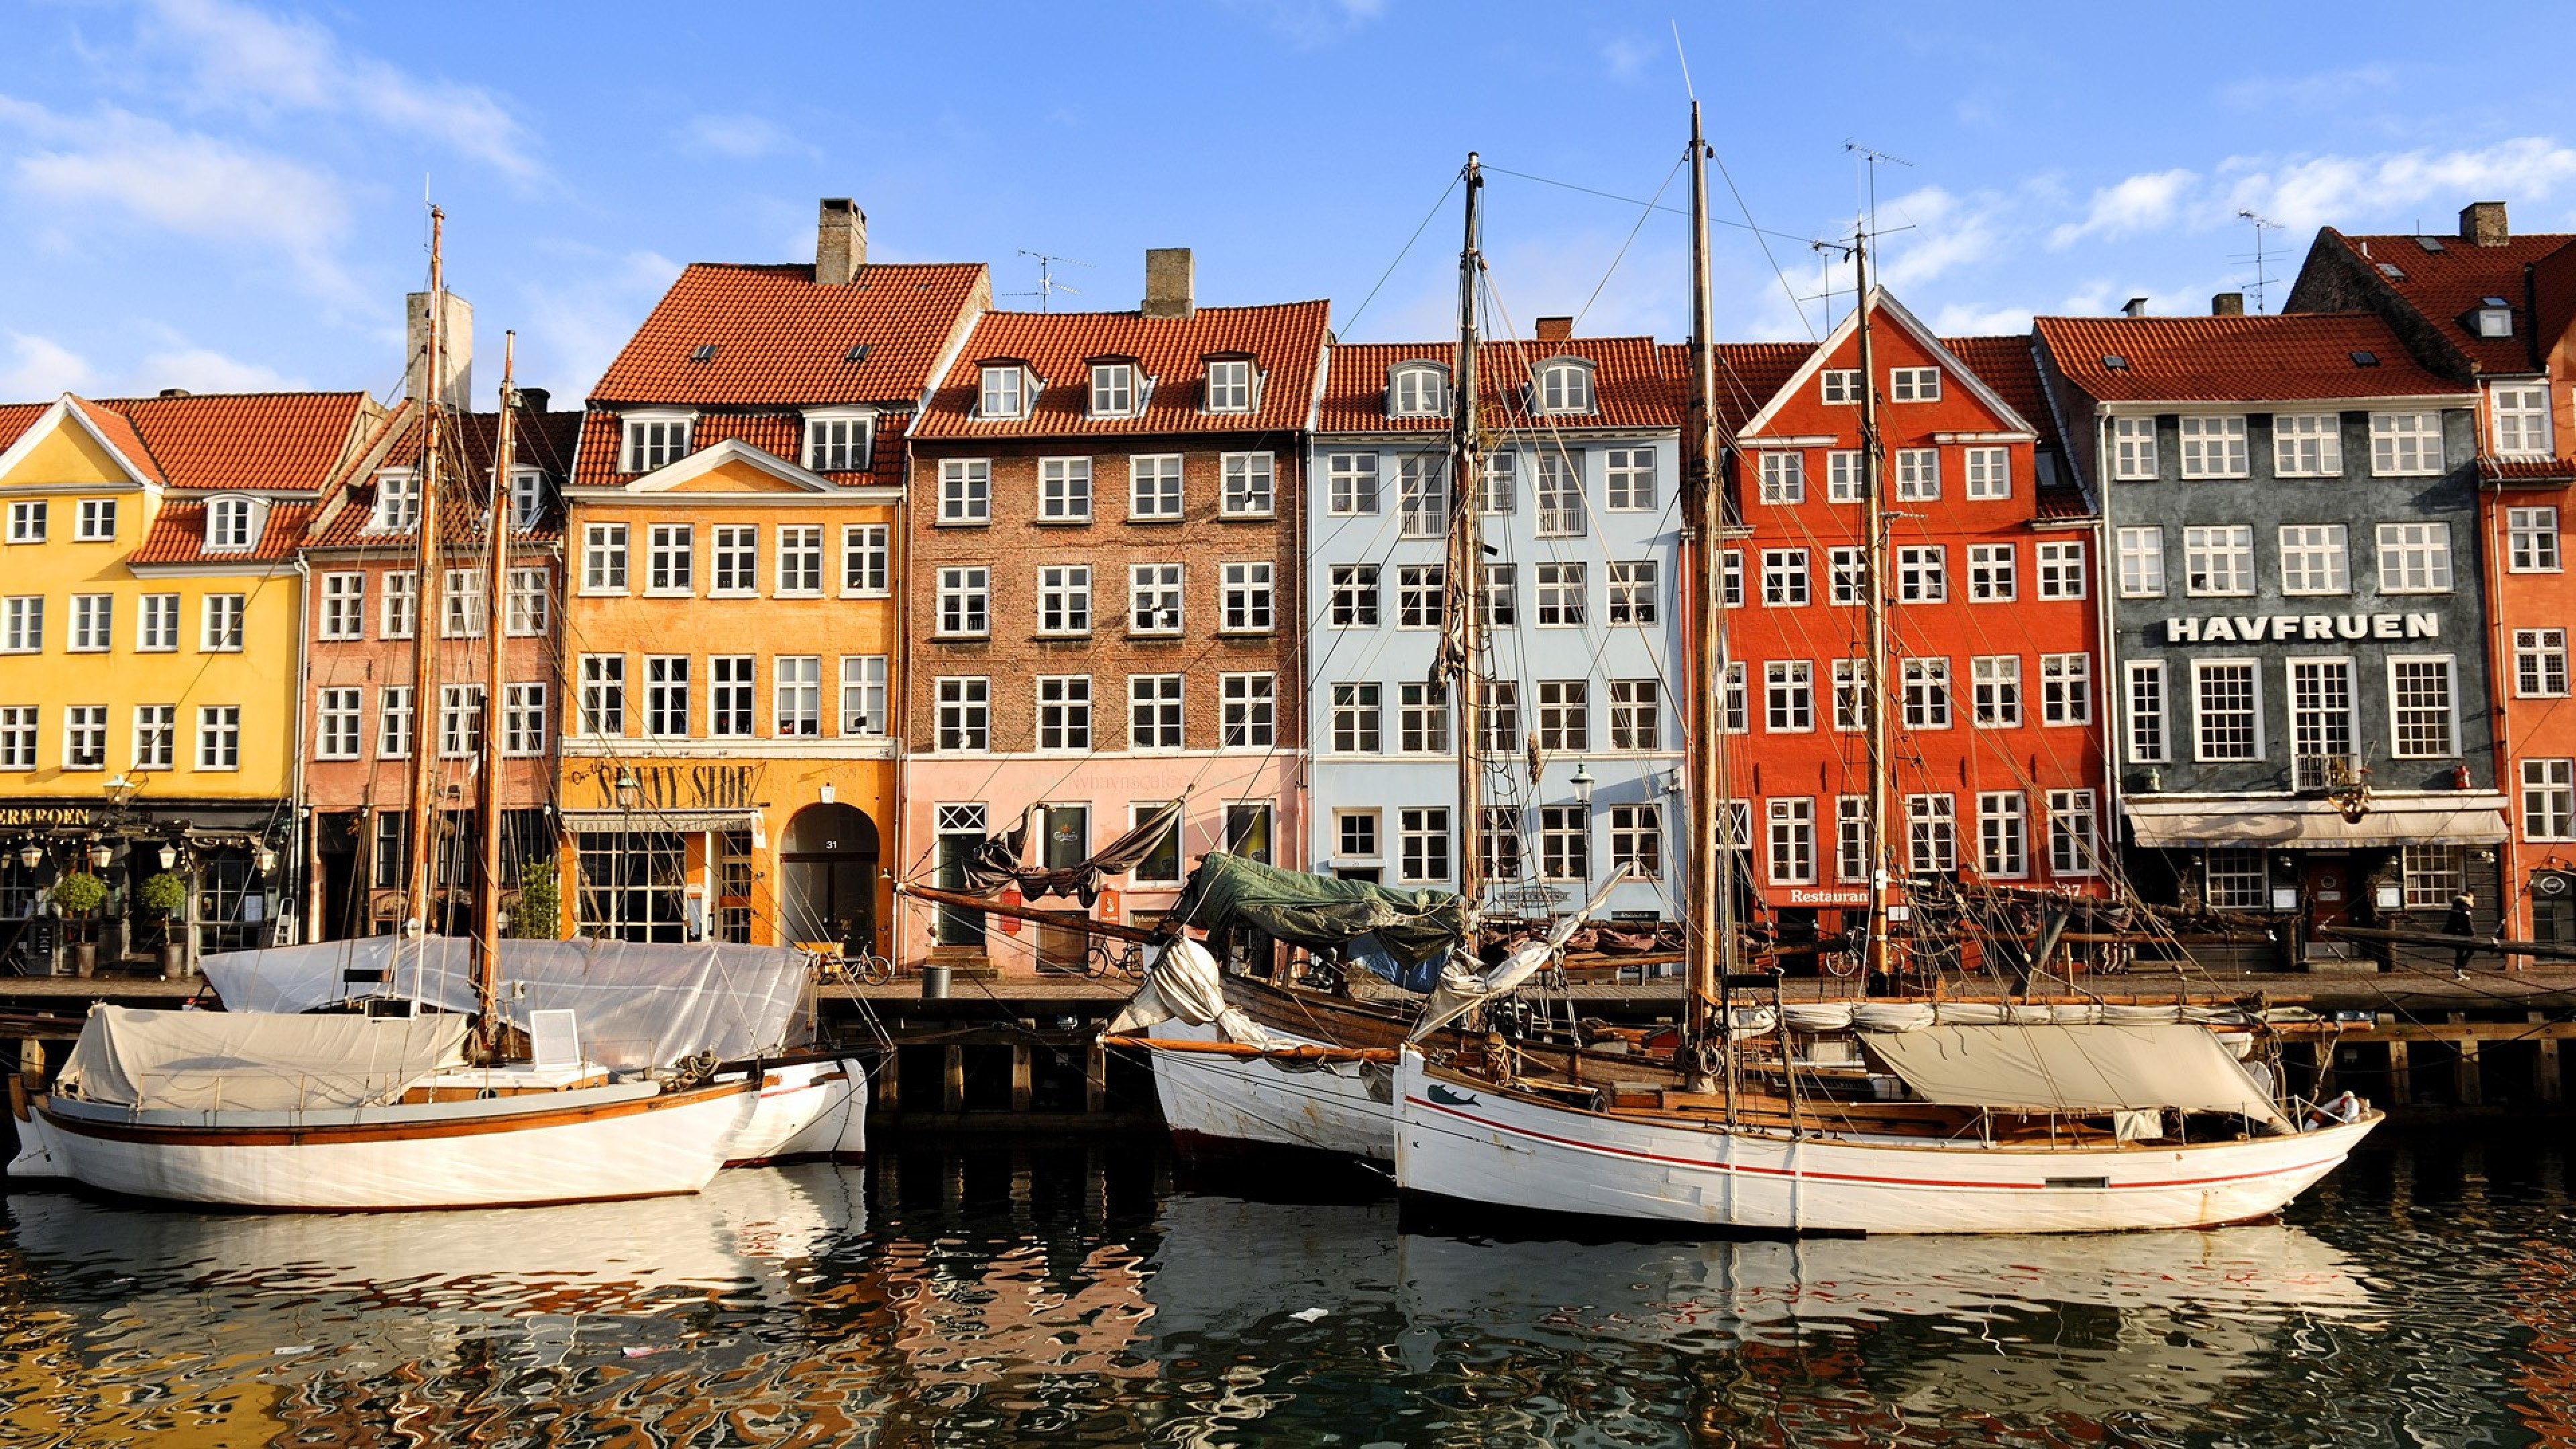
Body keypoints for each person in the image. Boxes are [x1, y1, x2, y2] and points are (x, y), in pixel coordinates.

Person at [2443, 892, 2477, 979]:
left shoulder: (2456, 905)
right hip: (2463, 933)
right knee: (2471, 951)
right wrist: (2473, 934)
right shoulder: (2466, 907)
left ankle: (2458, 971)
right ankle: (2458, 968)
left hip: (2454, 932)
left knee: (2460, 952)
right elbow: (2468, 923)